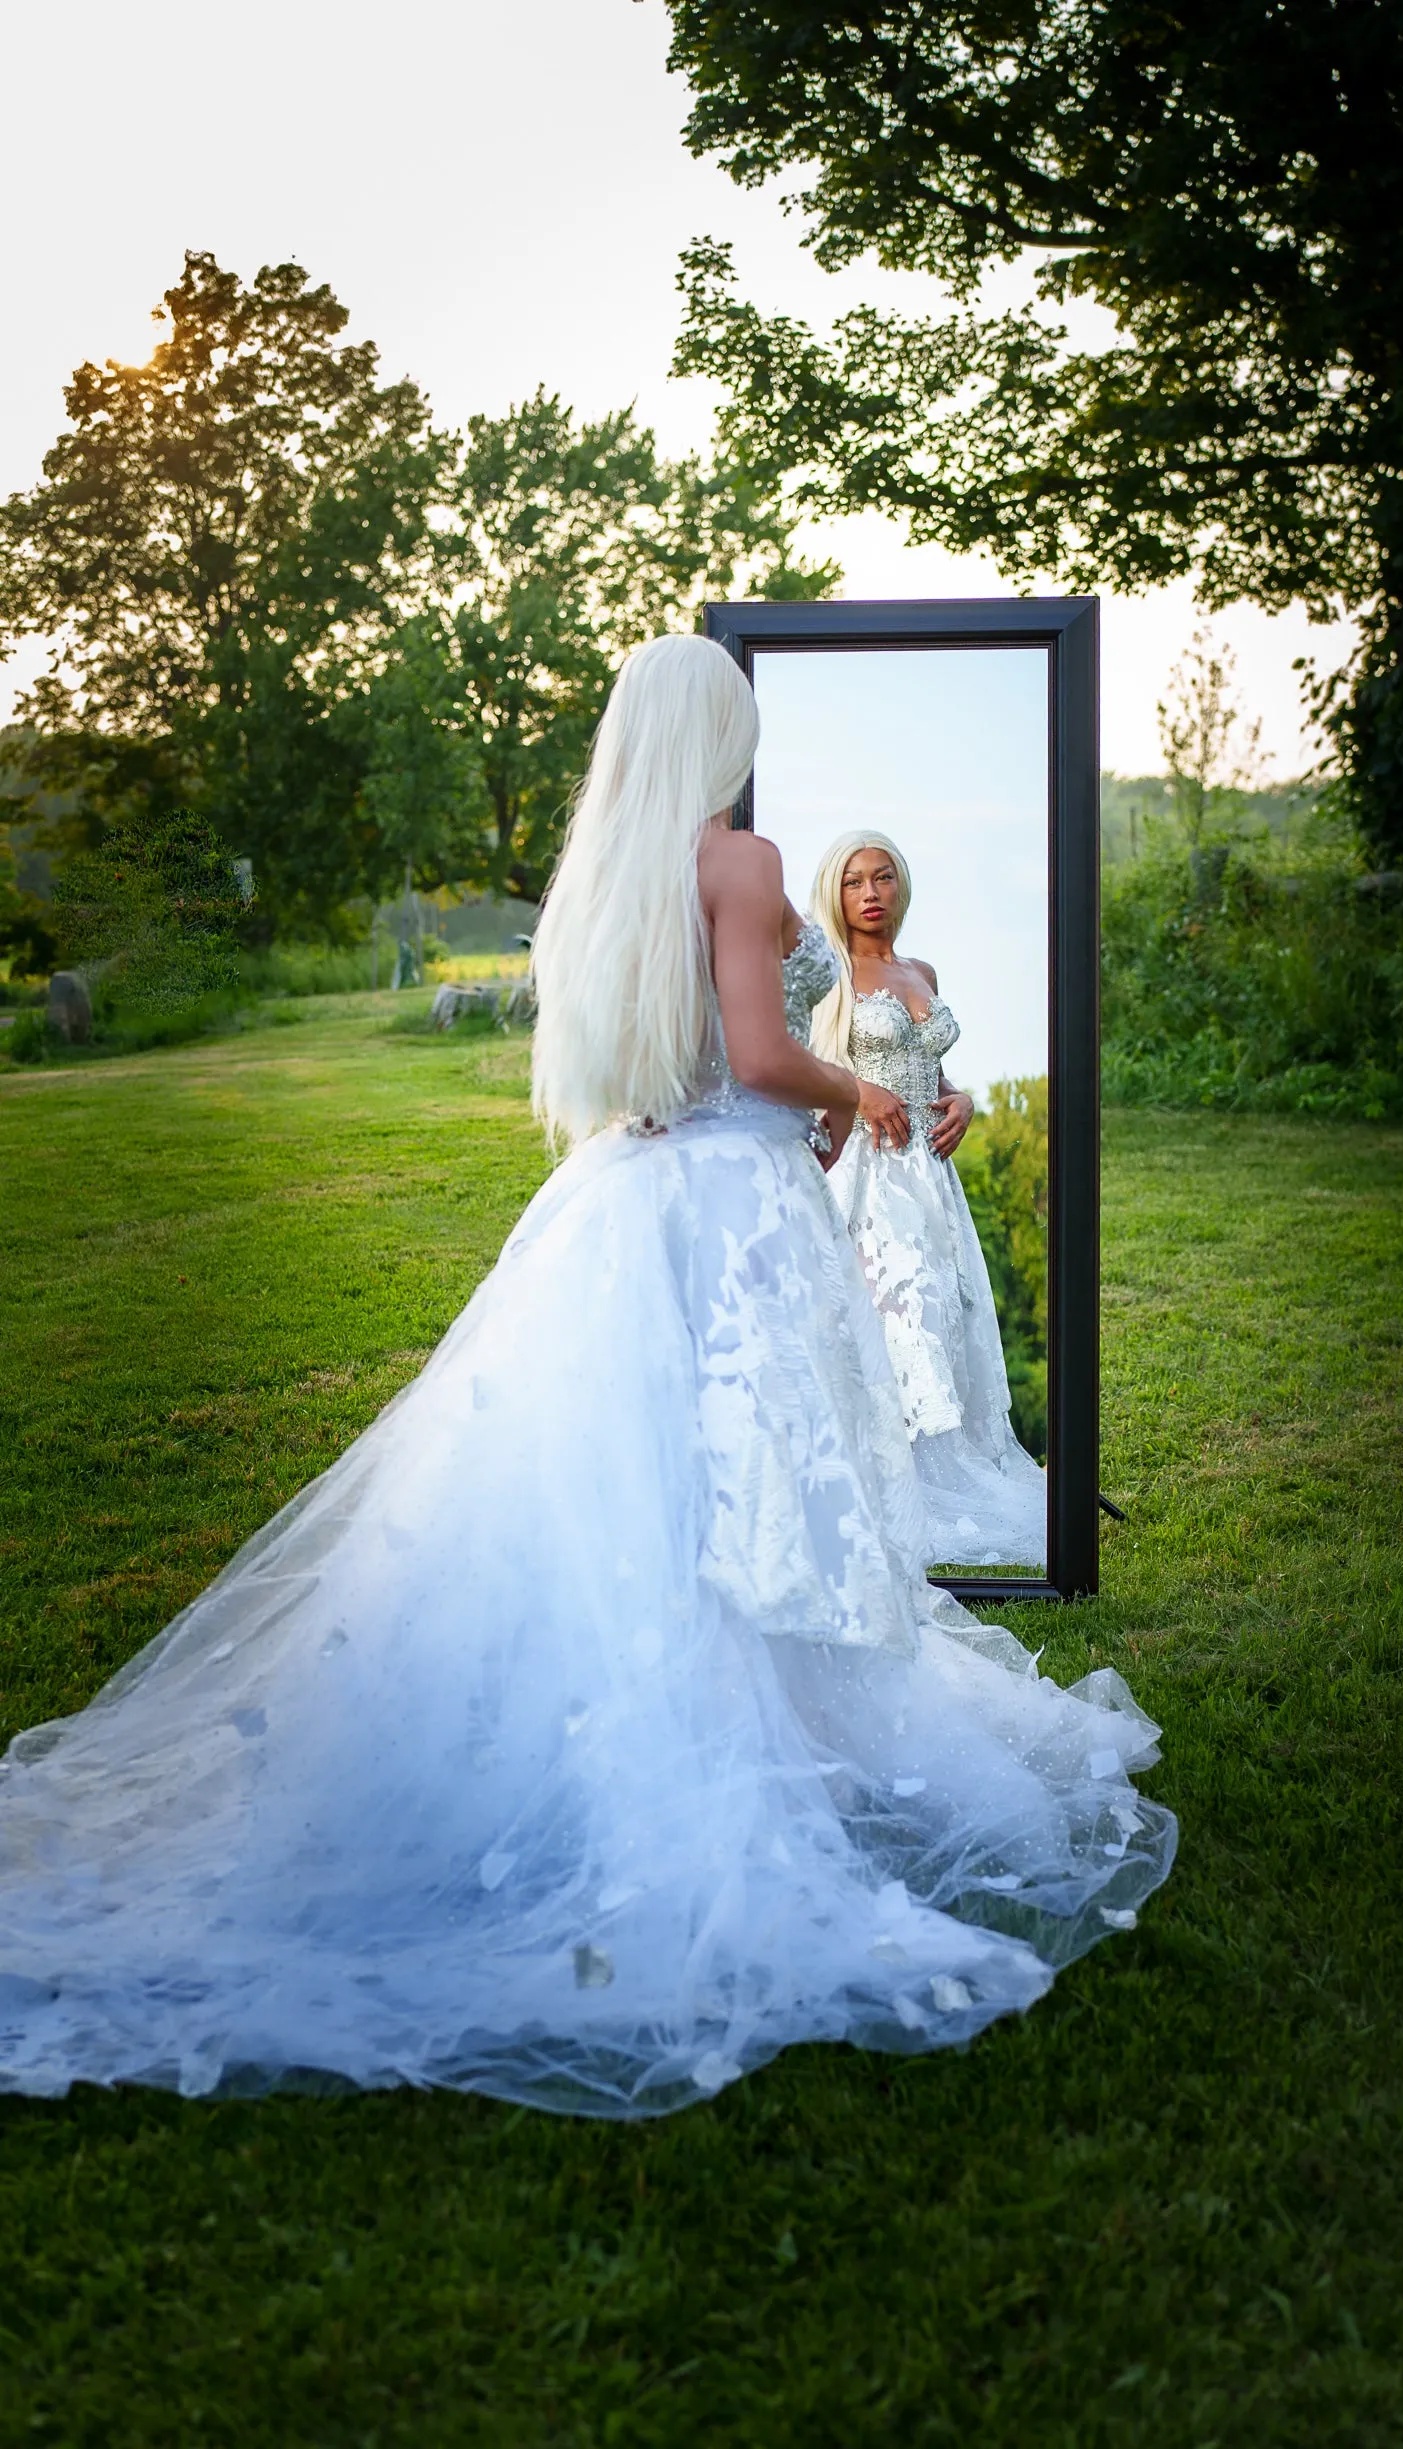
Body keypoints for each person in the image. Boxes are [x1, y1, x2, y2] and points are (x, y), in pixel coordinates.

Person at [0, 639, 1174, 2119]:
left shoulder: (608, 872)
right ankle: (757, 1748)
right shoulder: (736, 861)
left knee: (638, 1481)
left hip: (628, 1197)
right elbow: (758, 1050)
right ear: (715, 731)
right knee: (739, 1484)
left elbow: (676, 1057)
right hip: (731, 1212)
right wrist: (862, 1091)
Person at [810, 832, 1049, 1570]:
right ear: (836, 892)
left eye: (883, 877)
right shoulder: (830, 972)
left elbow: (933, 1072)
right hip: (870, 1172)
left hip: (931, 1178)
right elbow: (810, 1068)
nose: (871, 891)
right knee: (894, 1326)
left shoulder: (921, 969)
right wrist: (859, 1088)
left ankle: (947, 1473)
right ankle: (889, 1489)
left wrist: (963, 1100)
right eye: (854, 881)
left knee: (943, 1319)